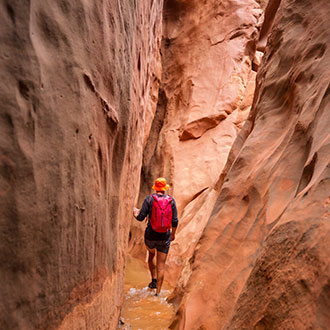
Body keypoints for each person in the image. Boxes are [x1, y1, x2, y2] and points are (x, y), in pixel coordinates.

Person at [133, 177, 178, 296]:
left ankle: (153, 280)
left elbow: (140, 217)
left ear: (155, 188)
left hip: (150, 236)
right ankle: (158, 293)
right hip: (164, 237)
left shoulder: (149, 199)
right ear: (164, 189)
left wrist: (135, 212)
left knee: (151, 254)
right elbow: (175, 221)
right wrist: (173, 234)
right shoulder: (171, 201)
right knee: (161, 266)